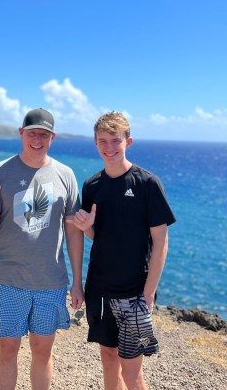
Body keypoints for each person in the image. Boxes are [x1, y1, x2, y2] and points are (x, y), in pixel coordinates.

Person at [0, 108, 84, 390]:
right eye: (32, 133)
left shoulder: (65, 175)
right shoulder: (1, 171)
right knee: (8, 351)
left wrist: (77, 282)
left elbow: (72, 230)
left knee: (42, 352)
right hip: (8, 279)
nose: (38, 139)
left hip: (50, 281)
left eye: (44, 134)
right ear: (21, 133)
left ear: (52, 138)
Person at [72, 111, 176, 390]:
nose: (109, 148)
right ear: (95, 143)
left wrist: (148, 293)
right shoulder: (92, 185)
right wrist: (87, 228)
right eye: (102, 141)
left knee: (132, 372)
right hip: (101, 290)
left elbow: (161, 243)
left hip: (134, 293)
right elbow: (99, 237)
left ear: (128, 142)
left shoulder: (147, 184)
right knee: (108, 358)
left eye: (115, 141)